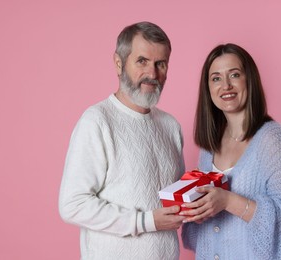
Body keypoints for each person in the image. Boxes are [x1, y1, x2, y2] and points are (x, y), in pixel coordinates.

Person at [59, 21, 186, 260]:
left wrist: (206, 198)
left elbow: (176, 198)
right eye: (142, 61)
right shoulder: (97, 121)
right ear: (119, 63)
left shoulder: (171, 126)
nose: (153, 74)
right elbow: (72, 205)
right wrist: (145, 221)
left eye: (161, 63)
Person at [181, 43, 281, 259]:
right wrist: (196, 211)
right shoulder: (209, 146)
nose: (225, 85)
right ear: (208, 89)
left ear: (249, 80)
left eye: (234, 75)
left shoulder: (274, 141)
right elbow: (201, 229)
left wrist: (228, 201)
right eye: (216, 78)